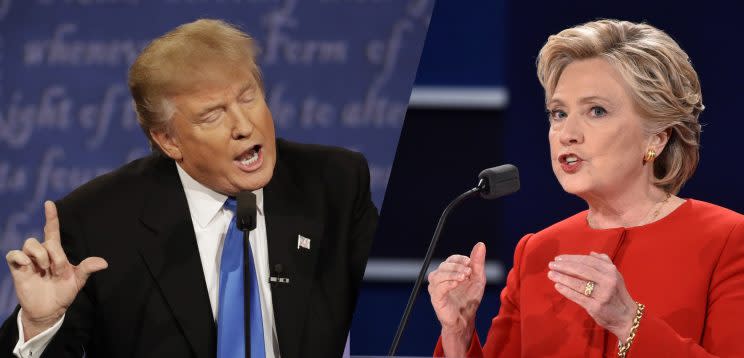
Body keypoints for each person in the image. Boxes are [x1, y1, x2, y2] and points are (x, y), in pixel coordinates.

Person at [0, 19, 378, 358]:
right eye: (213, 115)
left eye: (248, 97)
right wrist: (38, 326)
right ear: (169, 141)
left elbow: (395, 319)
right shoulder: (97, 222)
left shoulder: (334, 183)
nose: (244, 125)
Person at [428, 19, 744, 357]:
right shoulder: (537, 251)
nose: (567, 133)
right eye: (558, 113)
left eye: (596, 111)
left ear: (657, 137)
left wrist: (628, 321)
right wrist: (458, 334)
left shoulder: (727, 240)